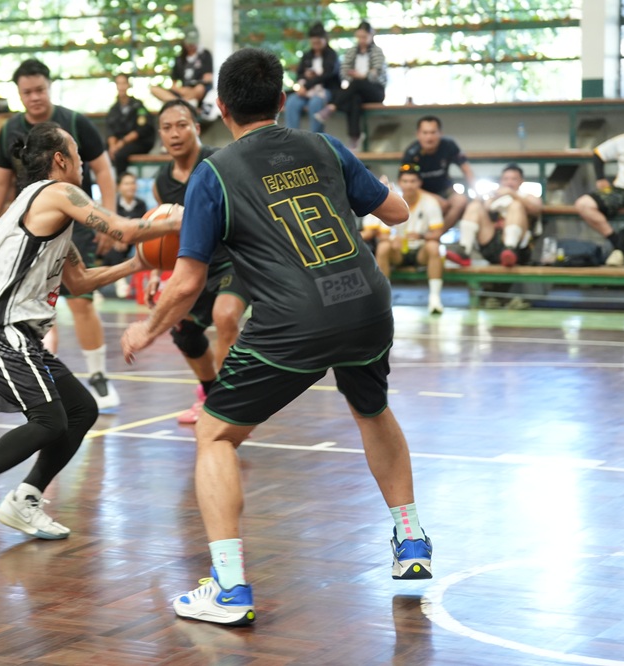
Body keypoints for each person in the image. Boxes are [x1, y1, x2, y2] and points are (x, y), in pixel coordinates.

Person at [121, 48, 432, 627]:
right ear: (283, 100)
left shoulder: (214, 173)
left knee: (215, 433)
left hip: (297, 319)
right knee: (371, 408)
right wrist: (389, 189)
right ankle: (411, 541)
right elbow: (397, 213)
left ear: (220, 108)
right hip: (366, 301)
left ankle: (230, 588)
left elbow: (186, 282)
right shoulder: (326, 146)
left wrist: (147, 326)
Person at [0, 122, 181, 541]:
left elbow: (78, 282)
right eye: (77, 153)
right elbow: (124, 229)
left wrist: (137, 265)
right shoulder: (56, 193)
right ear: (60, 159)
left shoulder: (45, 208)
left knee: (81, 410)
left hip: (15, 333)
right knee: (48, 421)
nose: (82, 162)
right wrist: (176, 220)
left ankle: (24, 499)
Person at [0, 58, 121, 412]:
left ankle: (98, 374)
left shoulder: (74, 123)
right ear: (19, 94)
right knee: (29, 304)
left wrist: (110, 219)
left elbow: (104, 171)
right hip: (29, 228)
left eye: (40, 89)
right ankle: (40, 377)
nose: (34, 97)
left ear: (50, 87)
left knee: (80, 298)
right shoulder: (9, 130)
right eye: (27, 92)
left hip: (76, 222)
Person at [150, 99, 250, 424]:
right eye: (167, 128)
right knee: (184, 333)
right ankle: (209, 393)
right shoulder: (160, 182)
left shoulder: (220, 162)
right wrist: (155, 271)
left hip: (234, 259)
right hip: (196, 265)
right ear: (160, 135)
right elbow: (163, 234)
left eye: (181, 125)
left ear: (195, 128)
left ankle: (226, 406)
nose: (174, 133)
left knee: (225, 316)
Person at [365, 164, 446, 314]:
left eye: (413, 181)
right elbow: (382, 234)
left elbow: (437, 233)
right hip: (398, 252)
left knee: (433, 246)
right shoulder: (392, 201)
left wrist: (421, 236)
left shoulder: (430, 202)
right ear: (400, 183)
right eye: (405, 181)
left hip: (420, 251)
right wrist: (392, 239)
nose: (409, 185)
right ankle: (383, 299)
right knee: (383, 247)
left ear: (419, 183)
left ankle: (435, 299)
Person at [450, 163, 543, 268]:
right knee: (475, 206)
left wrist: (513, 195)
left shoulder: (528, 197)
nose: (509, 182)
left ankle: (510, 249)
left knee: (516, 205)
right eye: (506, 179)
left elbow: (536, 209)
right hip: (491, 243)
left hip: (519, 249)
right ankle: (464, 250)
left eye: (514, 179)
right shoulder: (493, 198)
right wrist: (489, 200)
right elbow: (481, 214)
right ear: (501, 181)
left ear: (522, 181)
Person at [314, 21, 386, 150]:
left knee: (357, 83)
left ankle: (332, 106)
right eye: (359, 37)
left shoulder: (377, 52)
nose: (361, 40)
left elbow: (377, 74)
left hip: (375, 91)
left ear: (371, 36)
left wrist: (362, 76)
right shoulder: (351, 52)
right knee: (354, 98)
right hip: (356, 90)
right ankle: (354, 136)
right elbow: (344, 72)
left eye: (364, 37)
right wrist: (356, 76)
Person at [401, 116, 476, 231]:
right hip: (421, 193)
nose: (429, 137)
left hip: (445, 190)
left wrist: (476, 195)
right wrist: (435, 199)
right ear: (418, 134)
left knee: (461, 201)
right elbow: (407, 182)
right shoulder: (411, 153)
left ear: (440, 133)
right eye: (425, 133)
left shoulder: (449, 145)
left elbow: (466, 169)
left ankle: (436, 235)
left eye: (433, 132)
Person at [574, 133, 624, 266]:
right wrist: (600, 178)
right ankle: (619, 244)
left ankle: (622, 240)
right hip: (621, 190)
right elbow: (598, 153)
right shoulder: (623, 140)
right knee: (583, 204)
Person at [284, 22, 340, 133]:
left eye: (318, 42)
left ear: (325, 40)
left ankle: (316, 137)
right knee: (292, 102)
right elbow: (300, 74)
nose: (316, 45)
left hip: (325, 90)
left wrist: (308, 84)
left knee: (315, 103)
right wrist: (303, 81)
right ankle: (291, 136)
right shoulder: (307, 55)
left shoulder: (331, 55)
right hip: (306, 91)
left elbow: (328, 75)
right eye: (313, 43)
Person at [149, 27, 214, 113]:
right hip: (183, 92)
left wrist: (193, 88)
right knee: (154, 89)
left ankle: (181, 104)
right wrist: (182, 90)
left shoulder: (205, 55)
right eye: (189, 43)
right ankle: (183, 104)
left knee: (200, 88)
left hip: (198, 91)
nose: (191, 45)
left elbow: (208, 78)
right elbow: (174, 83)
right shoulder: (179, 59)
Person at [106, 73, 156, 176]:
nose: (121, 87)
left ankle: (121, 181)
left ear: (128, 85)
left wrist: (122, 143)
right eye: (119, 83)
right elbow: (111, 130)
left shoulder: (138, 105)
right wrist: (112, 146)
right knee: (102, 152)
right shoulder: (114, 109)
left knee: (120, 154)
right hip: (120, 143)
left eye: (123, 83)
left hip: (139, 142)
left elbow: (143, 128)